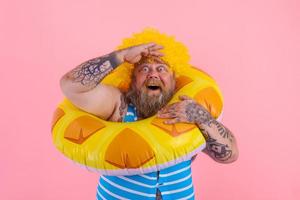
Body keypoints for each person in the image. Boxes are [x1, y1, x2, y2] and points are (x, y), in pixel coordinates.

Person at [60, 34, 239, 200]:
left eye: (161, 68)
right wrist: (120, 57)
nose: (153, 74)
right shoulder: (119, 106)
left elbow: (229, 156)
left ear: (174, 79)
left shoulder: (186, 109)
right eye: (144, 68)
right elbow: (71, 85)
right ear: (132, 78)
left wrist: (203, 118)